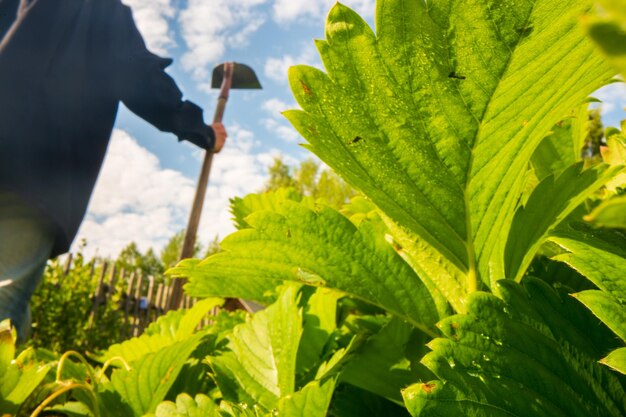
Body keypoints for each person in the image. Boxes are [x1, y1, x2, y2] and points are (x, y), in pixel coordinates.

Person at [0, 0, 227, 341]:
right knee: (6, 302)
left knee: (15, 307)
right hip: (36, 176)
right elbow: (141, 79)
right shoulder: (99, 9)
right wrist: (204, 132)